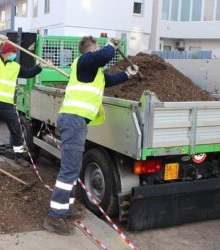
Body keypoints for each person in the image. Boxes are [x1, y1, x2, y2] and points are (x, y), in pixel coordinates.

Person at [42, 36, 139, 235]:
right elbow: (103, 56)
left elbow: (109, 80)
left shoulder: (94, 72)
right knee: (69, 171)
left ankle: (65, 211)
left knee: (73, 168)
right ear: (89, 50)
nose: (97, 53)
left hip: (76, 122)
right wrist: (111, 46)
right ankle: (54, 216)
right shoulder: (85, 61)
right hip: (73, 121)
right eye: (95, 50)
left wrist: (128, 73)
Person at [0, 36, 45, 167]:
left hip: (7, 104)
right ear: (6, 52)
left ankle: (18, 156)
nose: (14, 56)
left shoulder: (15, 67)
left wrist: (41, 66)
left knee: (16, 129)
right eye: (13, 53)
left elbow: (29, 73)